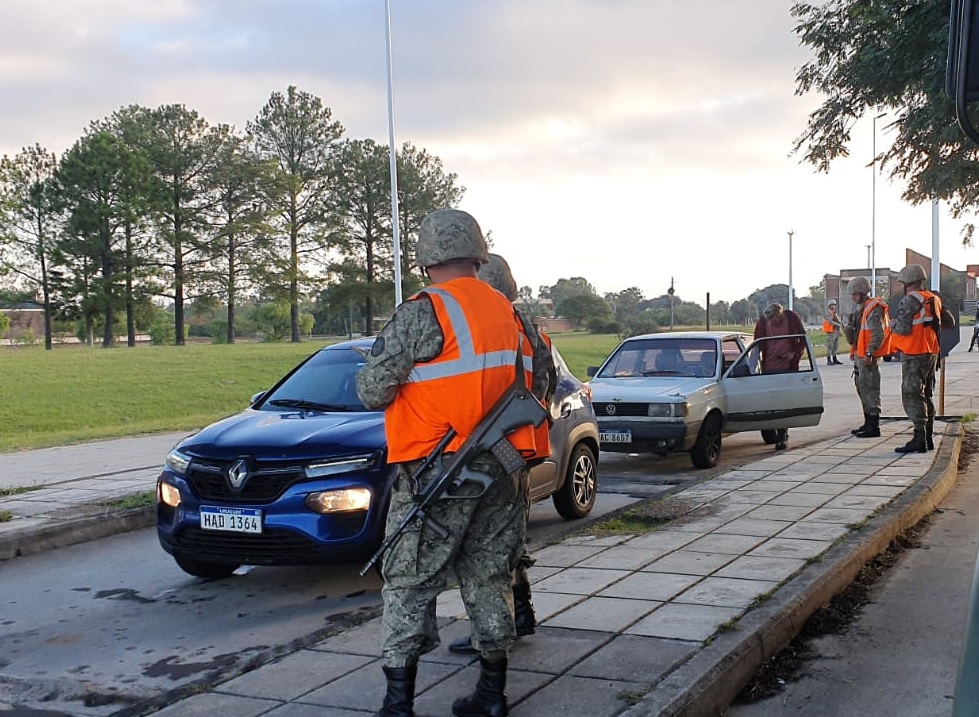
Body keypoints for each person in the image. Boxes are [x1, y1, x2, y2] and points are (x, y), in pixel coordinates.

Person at [356, 209, 549, 717]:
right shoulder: (514, 315)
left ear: (425, 259)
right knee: (490, 576)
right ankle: (492, 696)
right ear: (478, 253)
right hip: (503, 469)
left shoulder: (424, 311)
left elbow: (372, 391)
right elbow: (541, 385)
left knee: (407, 581)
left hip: (434, 475)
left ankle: (398, 705)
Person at [448, 252, 557, 657]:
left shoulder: (498, 329)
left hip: (497, 449)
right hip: (522, 450)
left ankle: (493, 630)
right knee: (508, 540)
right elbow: (545, 385)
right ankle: (521, 613)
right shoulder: (530, 330)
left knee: (484, 548)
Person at [890, 264, 943, 453]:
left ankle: (919, 438)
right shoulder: (933, 299)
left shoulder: (910, 300)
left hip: (914, 352)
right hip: (932, 352)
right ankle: (928, 437)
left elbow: (903, 328)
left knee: (912, 394)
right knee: (926, 393)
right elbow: (948, 321)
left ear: (908, 282)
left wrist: (892, 325)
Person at [753, 302, 806, 451]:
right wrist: (751, 367)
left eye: (775, 320)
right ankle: (769, 432)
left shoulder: (792, 318)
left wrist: (794, 353)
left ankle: (782, 436)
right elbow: (756, 346)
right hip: (769, 367)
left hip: (788, 367)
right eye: (770, 321)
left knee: (784, 402)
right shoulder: (763, 323)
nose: (773, 323)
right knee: (770, 402)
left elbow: (802, 339)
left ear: (781, 315)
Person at [845, 277, 891, 438]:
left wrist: (870, 353)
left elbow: (877, 333)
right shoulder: (860, 309)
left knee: (871, 389)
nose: (853, 297)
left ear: (863, 293)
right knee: (862, 387)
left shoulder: (873, 309)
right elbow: (857, 333)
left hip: (867, 356)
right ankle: (867, 422)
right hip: (860, 354)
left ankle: (874, 426)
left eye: (855, 294)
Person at [822, 299, 845, 365]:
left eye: (835, 305)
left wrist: (841, 327)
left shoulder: (834, 313)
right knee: (830, 346)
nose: (834, 306)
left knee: (835, 346)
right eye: (832, 305)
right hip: (830, 331)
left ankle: (835, 359)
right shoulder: (827, 313)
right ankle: (829, 360)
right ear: (829, 305)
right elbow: (830, 322)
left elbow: (838, 321)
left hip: (836, 331)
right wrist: (839, 324)